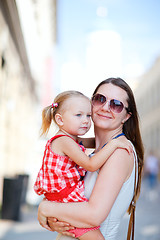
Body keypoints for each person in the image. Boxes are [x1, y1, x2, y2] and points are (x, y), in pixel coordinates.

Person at [37, 78, 144, 240]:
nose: (106, 107)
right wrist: (55, 220)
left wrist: (46, 207)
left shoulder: (119, 151)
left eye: (116, 104)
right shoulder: (99, 150)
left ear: (126, 117)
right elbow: (74, 207)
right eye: (100, 99)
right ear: (91, 103)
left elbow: (93, 216)